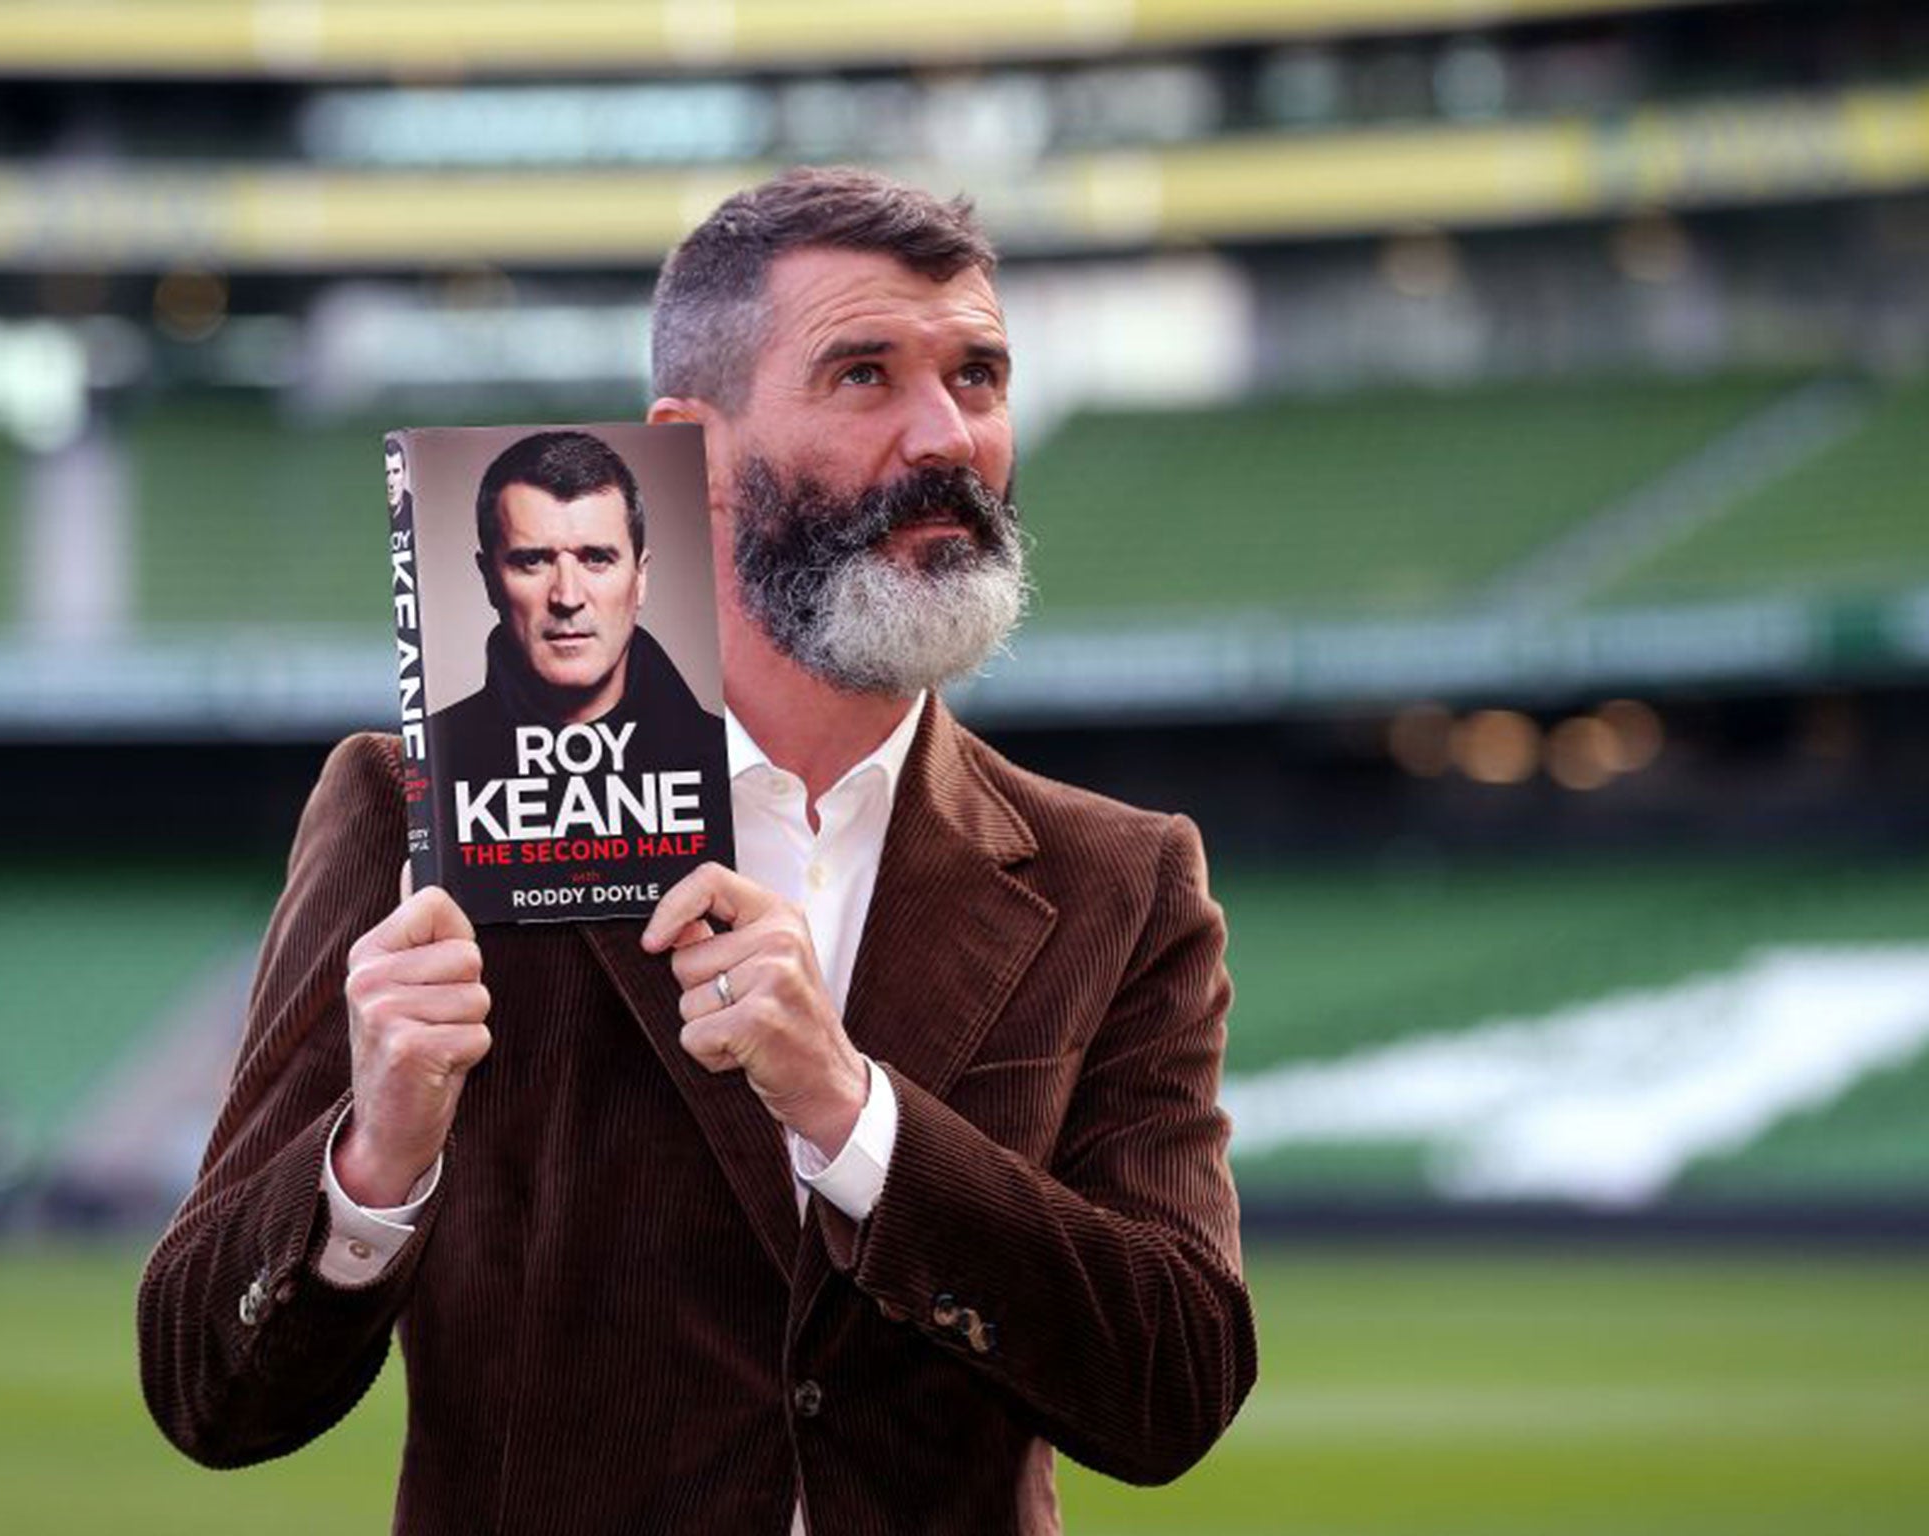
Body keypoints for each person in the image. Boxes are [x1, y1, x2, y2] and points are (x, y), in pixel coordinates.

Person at [139, 166, 1256, 1535]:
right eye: (863, 374)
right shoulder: (417, 809)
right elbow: (207, 1392)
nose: (947, 437)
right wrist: (375, 1160)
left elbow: (1177, 1386)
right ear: (694, 446)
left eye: (979, 375)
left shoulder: (1119, 881)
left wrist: (855, 1116)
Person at [425, 429, 724, 789]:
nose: (567, 597)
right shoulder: (431, 763)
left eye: (596, 559)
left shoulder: (730, 764)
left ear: (640, 577)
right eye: (533, 561)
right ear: (489, 579)